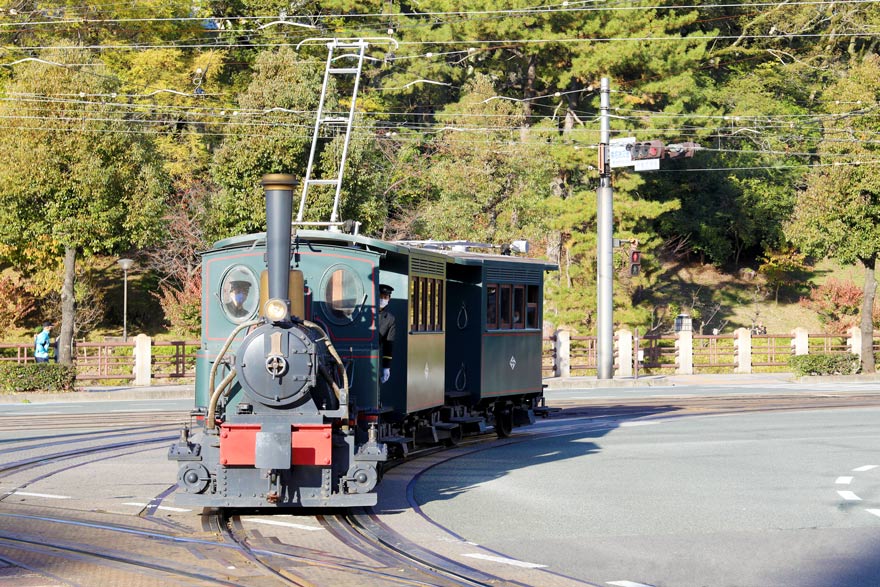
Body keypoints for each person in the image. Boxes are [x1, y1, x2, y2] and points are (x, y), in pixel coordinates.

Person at [377, 284, 396, 383]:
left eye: (385, 297)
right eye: (380, 296)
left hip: (375, 358)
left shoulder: (389, 319)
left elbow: (388, 344)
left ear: (389, 299)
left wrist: (386, 367)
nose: (382, 299)